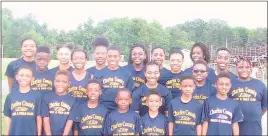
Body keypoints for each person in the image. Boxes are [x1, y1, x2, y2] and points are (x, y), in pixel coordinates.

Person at [229, 57, 267, 135]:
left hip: (254, 129)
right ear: (236, 69)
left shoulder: (260, 85)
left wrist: (255, 114)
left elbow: (265, 106)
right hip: (234, 129)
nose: (244, 70)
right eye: (241, 67)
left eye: (247, 67)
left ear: (251, 68)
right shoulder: (230, 84)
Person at [4, 65, 42, 135]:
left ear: (32, 79)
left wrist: (39, 134)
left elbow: (38, 117)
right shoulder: (10, 96)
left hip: (31, 133)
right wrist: (7, 133)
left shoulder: (37, 96)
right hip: (14, 132)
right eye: (21, 75)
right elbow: (8, 117)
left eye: (27, 76)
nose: (24, 78)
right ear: (16, 77)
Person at [94, 46, 134, 111]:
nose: (112, 59)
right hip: (103, 108)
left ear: (120, 57)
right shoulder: (99, 74)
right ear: (106, 57)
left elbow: (129, 93)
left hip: (120, 109)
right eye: (110, 56)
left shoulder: (126, 74)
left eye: (115, 56)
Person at [42, 70, 77, 135]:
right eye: (58, 81)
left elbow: (70, 120)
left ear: (69, 84)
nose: (60, 84)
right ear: (54, 82)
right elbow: (45, 118)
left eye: (64, 82)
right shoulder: (46, 97)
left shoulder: (73, 99)